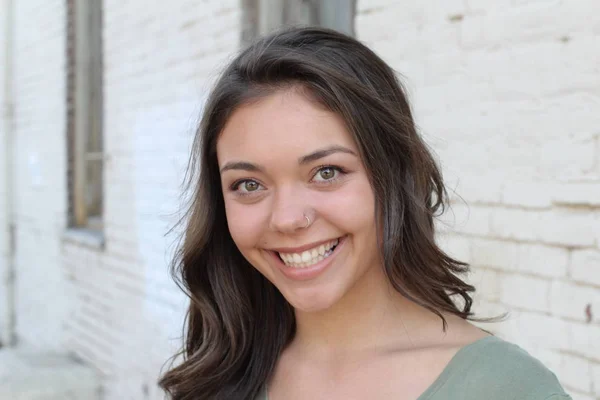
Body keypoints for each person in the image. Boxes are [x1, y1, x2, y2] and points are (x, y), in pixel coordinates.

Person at [159, 27, 571, 400]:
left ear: (392, 175)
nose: (286, 219)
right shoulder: (218, 376)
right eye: (249, 184)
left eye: (326, 173)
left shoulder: (507, 389)